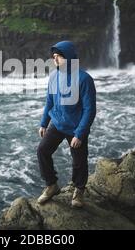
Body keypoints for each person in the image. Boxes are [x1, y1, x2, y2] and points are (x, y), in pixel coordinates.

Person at [37, 40, 97, 208]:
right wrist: (44, 123)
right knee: (42, 150)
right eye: (54, 57)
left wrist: (80, 133)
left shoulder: (84, 79)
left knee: (79, 160)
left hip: (76, 126)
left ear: (70, 58)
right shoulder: (54, 76)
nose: (55, 60)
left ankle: (79, 191)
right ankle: (51, 185)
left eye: (59, 57)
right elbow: (49, 101)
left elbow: (89, 110)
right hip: (57, 123)